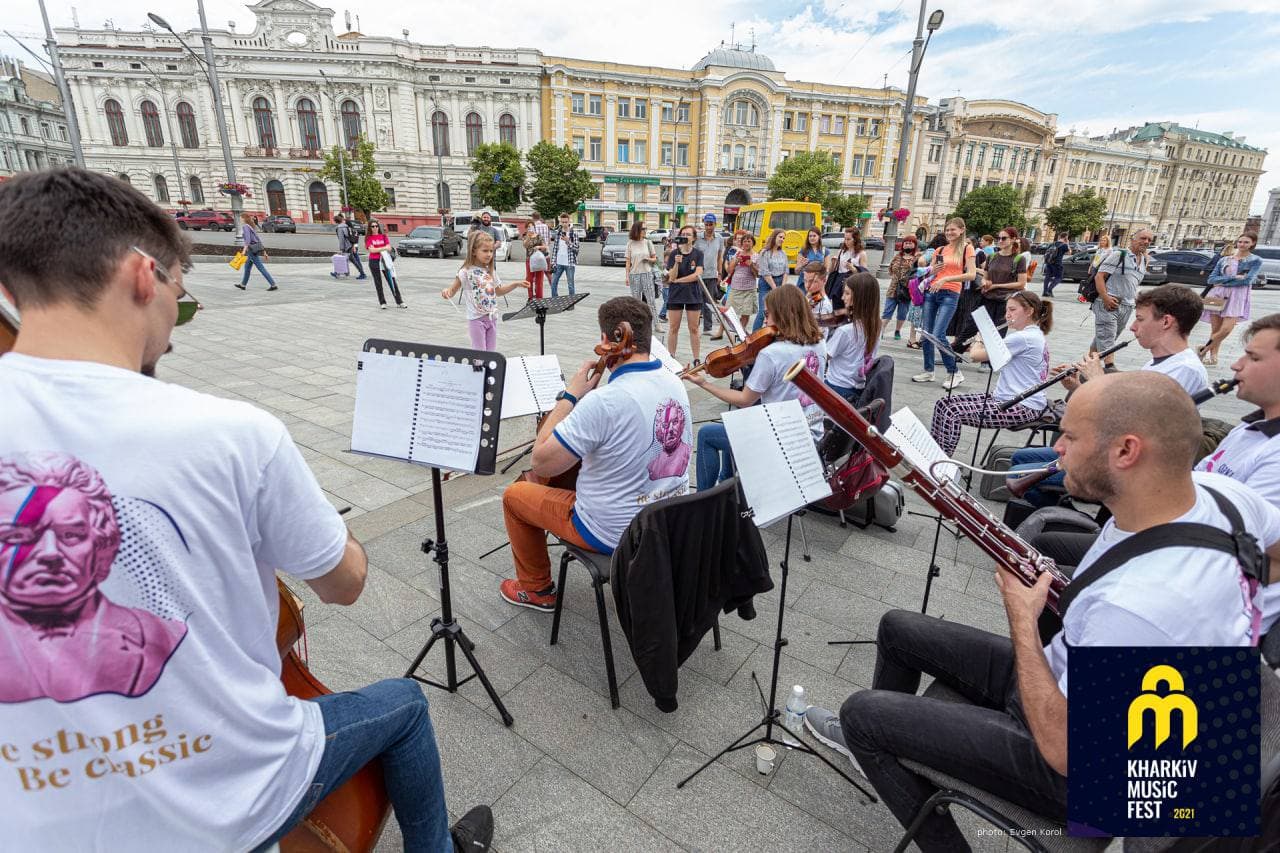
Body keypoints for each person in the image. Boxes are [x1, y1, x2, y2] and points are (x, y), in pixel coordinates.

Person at [0, 167, 493, 851]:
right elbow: (345, 582)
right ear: (145, 276)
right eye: (182, 294)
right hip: (227, 804)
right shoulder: (230, 434)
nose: (174, 322)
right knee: (406, 704)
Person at [804, 371, 1279, 852]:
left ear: (1126, 451)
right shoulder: (1223, 496)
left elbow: (1063, 751)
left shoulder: (1138, 603)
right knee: (899, 628)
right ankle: (897, 752)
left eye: (1070, 437)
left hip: (1083, 770)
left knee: (863, 713)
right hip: (1093, 691)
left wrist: (1023, 616)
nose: (1057, 450)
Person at [497, 297, 691, 610]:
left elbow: (541, 461)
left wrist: (571, 395)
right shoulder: (674, 382)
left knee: (515, 495)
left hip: (613, 532)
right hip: (667, 523)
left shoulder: (605, 401)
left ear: (607, 340)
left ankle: (536, 589)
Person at [1007, 284, 1209, 507]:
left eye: (1140, 319)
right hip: (1112, 451)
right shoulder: (1159, 361)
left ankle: (1060, 519)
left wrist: (1097, 380)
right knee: (1021, 458)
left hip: (1133, 466)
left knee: (1020, 473)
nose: (1132, 327)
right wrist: (1078, 388)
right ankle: (1056, 508)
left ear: (1166, 322)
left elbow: (1134, 421)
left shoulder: (1184, 370)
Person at [685, 285, 828, 491]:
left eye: (768, 314)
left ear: (784, 314)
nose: (765, 320)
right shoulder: (819, 344)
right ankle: (728, 489)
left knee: (707, 434)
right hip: (811, 434)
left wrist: (703, 383)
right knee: (737, 422)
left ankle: (703, 501)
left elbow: (745, 399)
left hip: (781, 439)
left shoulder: (772, 353)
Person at [1198, 312, 1280, 633]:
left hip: (1218, 623)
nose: (1236, 366)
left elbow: (1239, 548)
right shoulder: (1250, 429)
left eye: (1253, 357)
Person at [928, 291, 1053, 456]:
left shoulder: (1023, 338)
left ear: (1029, 311)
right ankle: (932, 454)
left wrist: (979, 338)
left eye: (1013, 310)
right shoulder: (1033, 334)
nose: (1007, 315)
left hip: (1021, 405)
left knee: (952, 411)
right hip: (1008, 398)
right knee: (943, 403)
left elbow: (975, 356)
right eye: (1007, 310)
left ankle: (941, 462)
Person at [913, 217, 976, 388]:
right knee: (926, 333)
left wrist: (947, 277)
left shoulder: (967, 249)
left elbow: (971, 274)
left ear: (962, 230)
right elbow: (930, 271)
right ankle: (928, 370)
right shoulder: (940, 249)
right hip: (932, 291)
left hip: (950, 292)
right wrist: (931, 270)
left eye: (953, 230)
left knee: (938, 334)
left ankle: (954, 371)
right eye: (947, 230)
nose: (949, 233)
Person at [440, 231, 528, 350]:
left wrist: (515, 284)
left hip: (492, 318)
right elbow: (451, 291)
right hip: (476, 320)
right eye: (485, 251)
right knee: (479, 354)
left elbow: (499, 291)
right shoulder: (465, 272)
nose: (489, 254)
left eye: (491, 251)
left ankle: (489, 369)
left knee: (491, 354)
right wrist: (446, 292)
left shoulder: (490, 271)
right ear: (474, 251)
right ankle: (478, 368)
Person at [1198, 233, 1263, 366]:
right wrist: (1232, 279)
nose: (1242, 244)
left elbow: (1247, 280)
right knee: (1216, 330)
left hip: (1238, 297)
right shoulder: (1225, 260)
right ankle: (1213, 356)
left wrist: (1222, 282)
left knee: (1226, 329)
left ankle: (1203, 350)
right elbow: (1211, 279)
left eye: (1246, 242)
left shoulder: (1255, 260)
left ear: (1253, 243)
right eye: (1240, 242)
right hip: (1218, 295)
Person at [1089, 228, 1152, 367]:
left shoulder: (1145, 259)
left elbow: (1132, 282)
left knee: (1104, 338)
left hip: (1127, 306)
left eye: (1149, 239)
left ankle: (1086, 366)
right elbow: (1099, 276)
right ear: (1133, 239)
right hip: (1108, 303)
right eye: (1143, 238)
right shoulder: (1119, 254)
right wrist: (1105, 297)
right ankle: (1110, 369)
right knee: (1107, 339)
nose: (1146, 241)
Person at [825, 272, 881, 400]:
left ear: (860, 298)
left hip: (836, 387)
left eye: (847, 293)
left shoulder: (846, 331)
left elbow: (823, 357)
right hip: (858, 388)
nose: (842, 297)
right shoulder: (877, 325)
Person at [664, 224, 706, 366]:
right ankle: (671, 356)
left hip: (693, 294)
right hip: (676, 294)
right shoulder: (673, 253)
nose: (685, 237)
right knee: (673, 327)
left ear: (694, 238)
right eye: (683, 234)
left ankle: (696, 358)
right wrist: (676, 264)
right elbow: (671, 277)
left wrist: (679, 280)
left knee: (693, 328)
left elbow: (697, 275)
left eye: (689, 234)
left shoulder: (698, 254)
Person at [978, 226, 1028, 328]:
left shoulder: (1019, 259)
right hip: (987, 298)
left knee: (998, 334)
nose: (1000, 241)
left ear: (1013, 239)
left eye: (1004, 238)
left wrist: (996, 286)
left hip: (1005, 301)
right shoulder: (992, 257)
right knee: (981, 330)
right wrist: (984, 282)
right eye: (999, 238)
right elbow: (985, 276)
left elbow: (1021, 283)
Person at [694, 214, 725, 337]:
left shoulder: (719, 239)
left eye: (710, 224)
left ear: (715, 224)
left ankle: (707, 327)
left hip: (712, 274)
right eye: (706, 224)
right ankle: (694, 326)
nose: (708, 227)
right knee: (696, 301)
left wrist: (720, 273)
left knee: (709, 301)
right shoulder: (698, 239)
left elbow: (719, 258)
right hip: (698, 274)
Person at [753, 229, 789, 332]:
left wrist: (782, 287)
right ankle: (753, 336)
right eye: (780, 237)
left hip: (780, 281)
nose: (782, 239)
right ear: (774, 237)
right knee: (763, 312)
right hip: (766, 283)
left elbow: (786, 271)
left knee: (778, 311)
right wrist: (775, 288)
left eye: (783, 238)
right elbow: (765, 272)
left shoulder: (783, 253)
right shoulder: (765, 252)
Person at [882, 236, 917, 342]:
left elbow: (917, 273)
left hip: (906, 290)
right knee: (887, 311)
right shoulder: (897, 257)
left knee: (902, 313)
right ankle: (881, 330)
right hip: (893, 288)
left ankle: (897, 330)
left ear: (915, 245)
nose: (908, 245)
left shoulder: (917, 258)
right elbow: (890, 270)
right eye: (906, 243)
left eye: (911, 243)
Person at [364, 220, 405, 309]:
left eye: (376, 226)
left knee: (392, 280)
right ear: (370, 228)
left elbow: (389, 248)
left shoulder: (383, 236)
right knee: (378, 282)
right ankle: (382, 302)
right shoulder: (368, 238)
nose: (375, 228)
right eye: (372, 226)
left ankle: (399, 301)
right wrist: (383, 248)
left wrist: (378, 248)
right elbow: (372, 250)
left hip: (385, 261)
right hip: (374, 261)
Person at [724, 232, 758, 334]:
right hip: (735, 287)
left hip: (749, 289)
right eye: (744, 241)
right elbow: (729, 270)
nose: (746, 243)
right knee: (728, 311)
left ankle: (741, 332)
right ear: (741, 243)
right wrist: (735, 261)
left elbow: (757, 274)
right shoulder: (737, 254)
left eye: (749, 241)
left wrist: (751, 265)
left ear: (753, 243)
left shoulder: (756, 256)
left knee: (745, 313)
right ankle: (739, 330)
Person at [236, 212, 277, 292]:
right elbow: (258, 239)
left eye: (241, 218)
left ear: (244, 219)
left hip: (251, 251)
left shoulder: (245, 227)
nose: (240, 220)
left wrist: (244, 250)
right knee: (247, 267)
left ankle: (273, 284)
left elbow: (247, 240)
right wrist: (264, 252)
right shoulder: (250, 227)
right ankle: (243, 285)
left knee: (261, 268)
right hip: (254, 249)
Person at [623, 221, 658, 308]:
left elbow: (655, 259)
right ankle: (638, 321)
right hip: (634, 275)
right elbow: (627, 262)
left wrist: (648, 259)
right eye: (643, 229)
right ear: (637, 229)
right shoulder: (630, 243)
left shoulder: (648, 242)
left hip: (647, 273)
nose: (645, 230)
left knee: (651, 302)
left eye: (646, 228)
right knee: (636, 303)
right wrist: (627, 277)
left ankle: (654, 321)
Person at [549, 212, 579, 298]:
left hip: (569, 263)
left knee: (570, 284)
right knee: (553, 282)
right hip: (558, 263)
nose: (564, 224)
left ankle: (571, 303)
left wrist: (567, 241)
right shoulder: (558, 233)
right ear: (560, 222)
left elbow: (576, 250)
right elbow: (555, 249)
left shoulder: (574, 234)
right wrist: (553, 262)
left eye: (566, 222)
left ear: (569, 221)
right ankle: (555, 299)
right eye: (562, 222)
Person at [332, 213, 367, 280]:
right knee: (344, 260)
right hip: (351, 245)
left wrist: (341, 249)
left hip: (346, 247)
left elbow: (341, 239)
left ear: (336, 222)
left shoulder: (340, 228)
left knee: (353, 260)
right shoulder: (346, 226)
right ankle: (337, 272)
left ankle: (362, 273)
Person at [1041, 232, 1070, 297]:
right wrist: (1067, 243)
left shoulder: (1052, 244)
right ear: (1066, 237)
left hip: (1049, 263)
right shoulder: (1064, 245)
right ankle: (1049, 290)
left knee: (1047, 277)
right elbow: (1069, 252)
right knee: (1059, 277)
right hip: (1057, 264)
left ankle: (1045, 292)